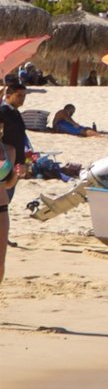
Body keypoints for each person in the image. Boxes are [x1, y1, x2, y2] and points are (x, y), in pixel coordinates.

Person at [0, 81, 27, 286]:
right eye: (19, 95)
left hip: (1, 208)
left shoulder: (9, 150)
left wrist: (18, 170)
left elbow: (7, 184)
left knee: (1, 264)